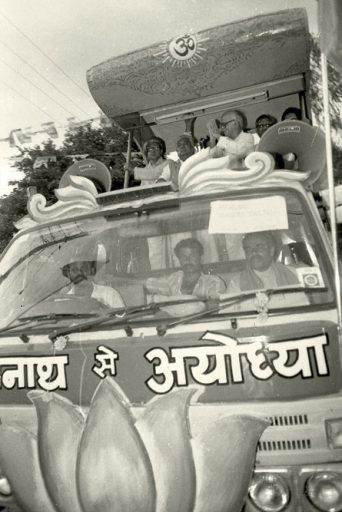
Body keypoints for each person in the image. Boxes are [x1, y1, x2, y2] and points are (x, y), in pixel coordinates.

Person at [145, 238, 226, 299]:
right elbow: (148, 284)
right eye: (183, 257)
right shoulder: (174, 279)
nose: (188, 260)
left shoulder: (214, 282)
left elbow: (214, 308)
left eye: (192, 256)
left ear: (201, 258)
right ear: (179, 259)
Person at [228, 231, 299, 293]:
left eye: (259, 247)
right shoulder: (236, 283)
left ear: (271, 250)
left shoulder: (294, 274)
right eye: (248, 249)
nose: (253, 252)